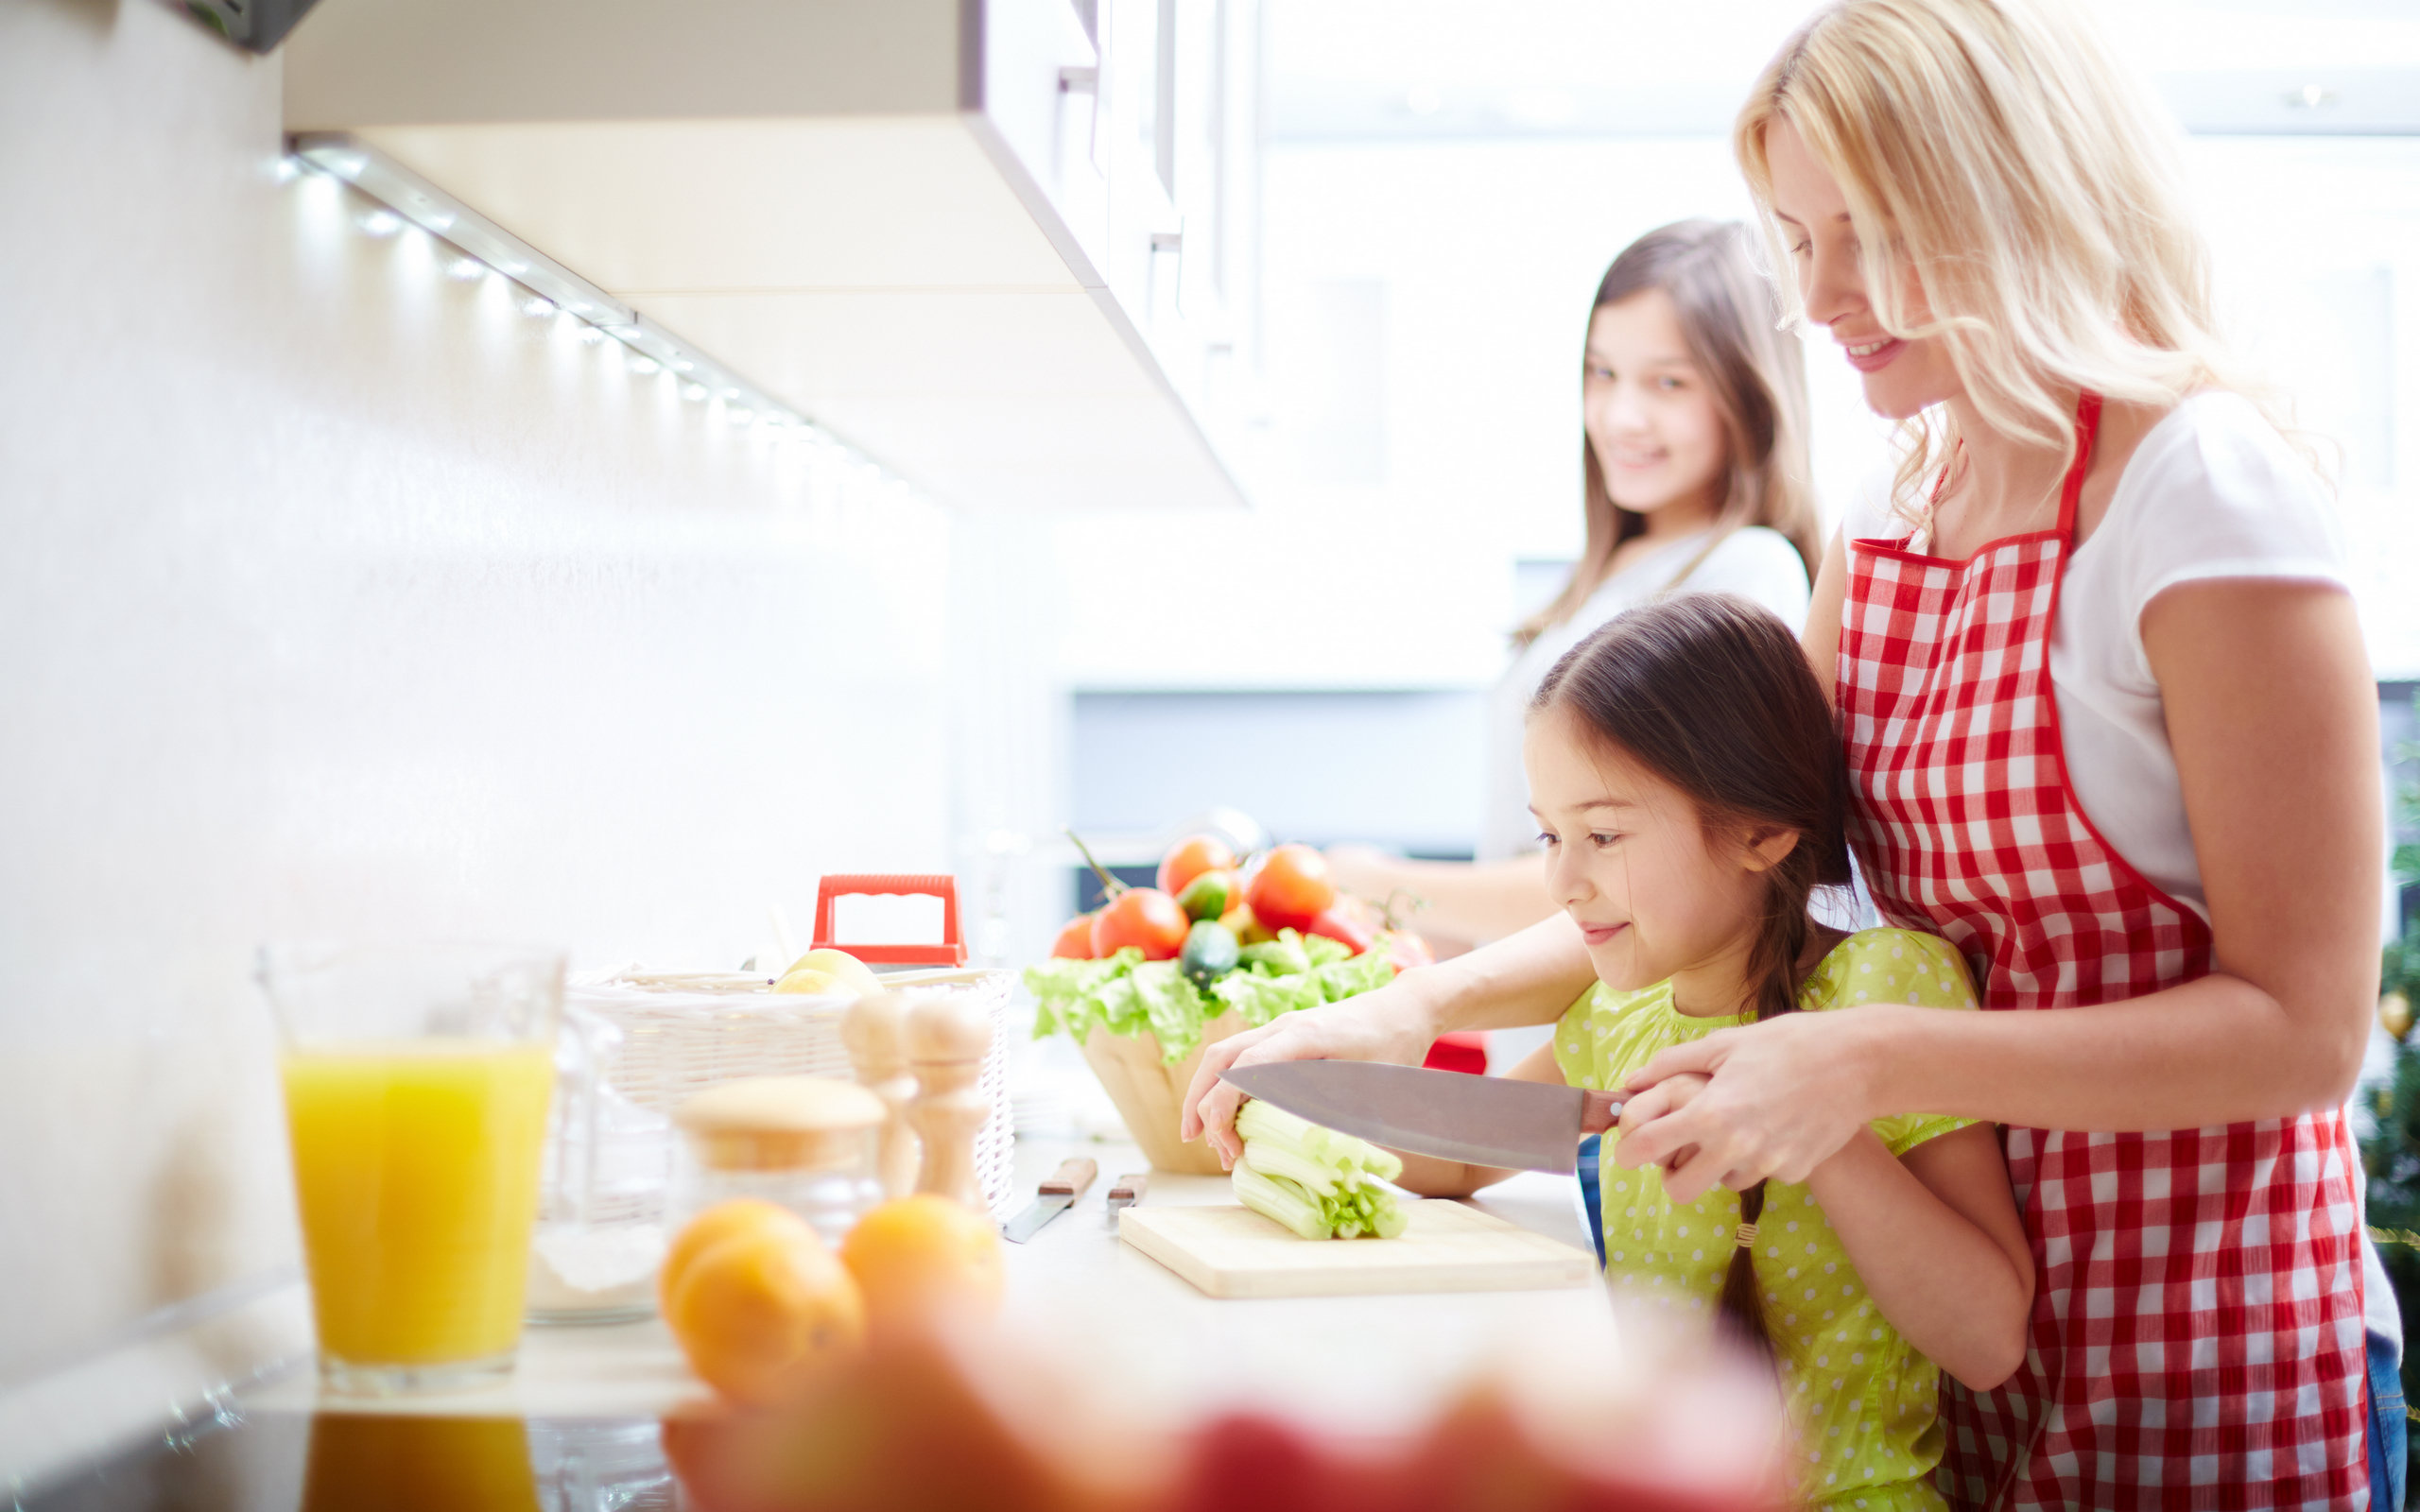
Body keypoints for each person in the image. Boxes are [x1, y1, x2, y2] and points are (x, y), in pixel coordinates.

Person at [1185, 1, 2396, 1504]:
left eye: (1863, 233)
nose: (1816, 295)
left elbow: (2305, 1028)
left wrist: (1864, 1057)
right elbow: (1708, 864)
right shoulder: (1901, 515)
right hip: (1953, 1339)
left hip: (2203, 1337)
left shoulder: (2201, 496)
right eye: (1793, 236)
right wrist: (1404, 1008)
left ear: (2011, 203)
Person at [1389, 594, 2032, 1509]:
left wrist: (1817, 1127)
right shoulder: (1622, 1015)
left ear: (1761, 833)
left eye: (1602, 835)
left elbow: (1986, 1339)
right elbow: (1458, 1156)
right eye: (1549, 835)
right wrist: (1273, 1108)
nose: (1562, 881)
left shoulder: (1880, 986)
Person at [1325, 220, 1818, 954]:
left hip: (1624, 1046)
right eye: (1603, 373)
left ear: (1748, 395)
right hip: (1540, 1035)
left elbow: (1635, 876)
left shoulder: (1746, 572)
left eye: (1669, 382)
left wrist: (1377, 882)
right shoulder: (1605, 577)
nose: (1621, 416)